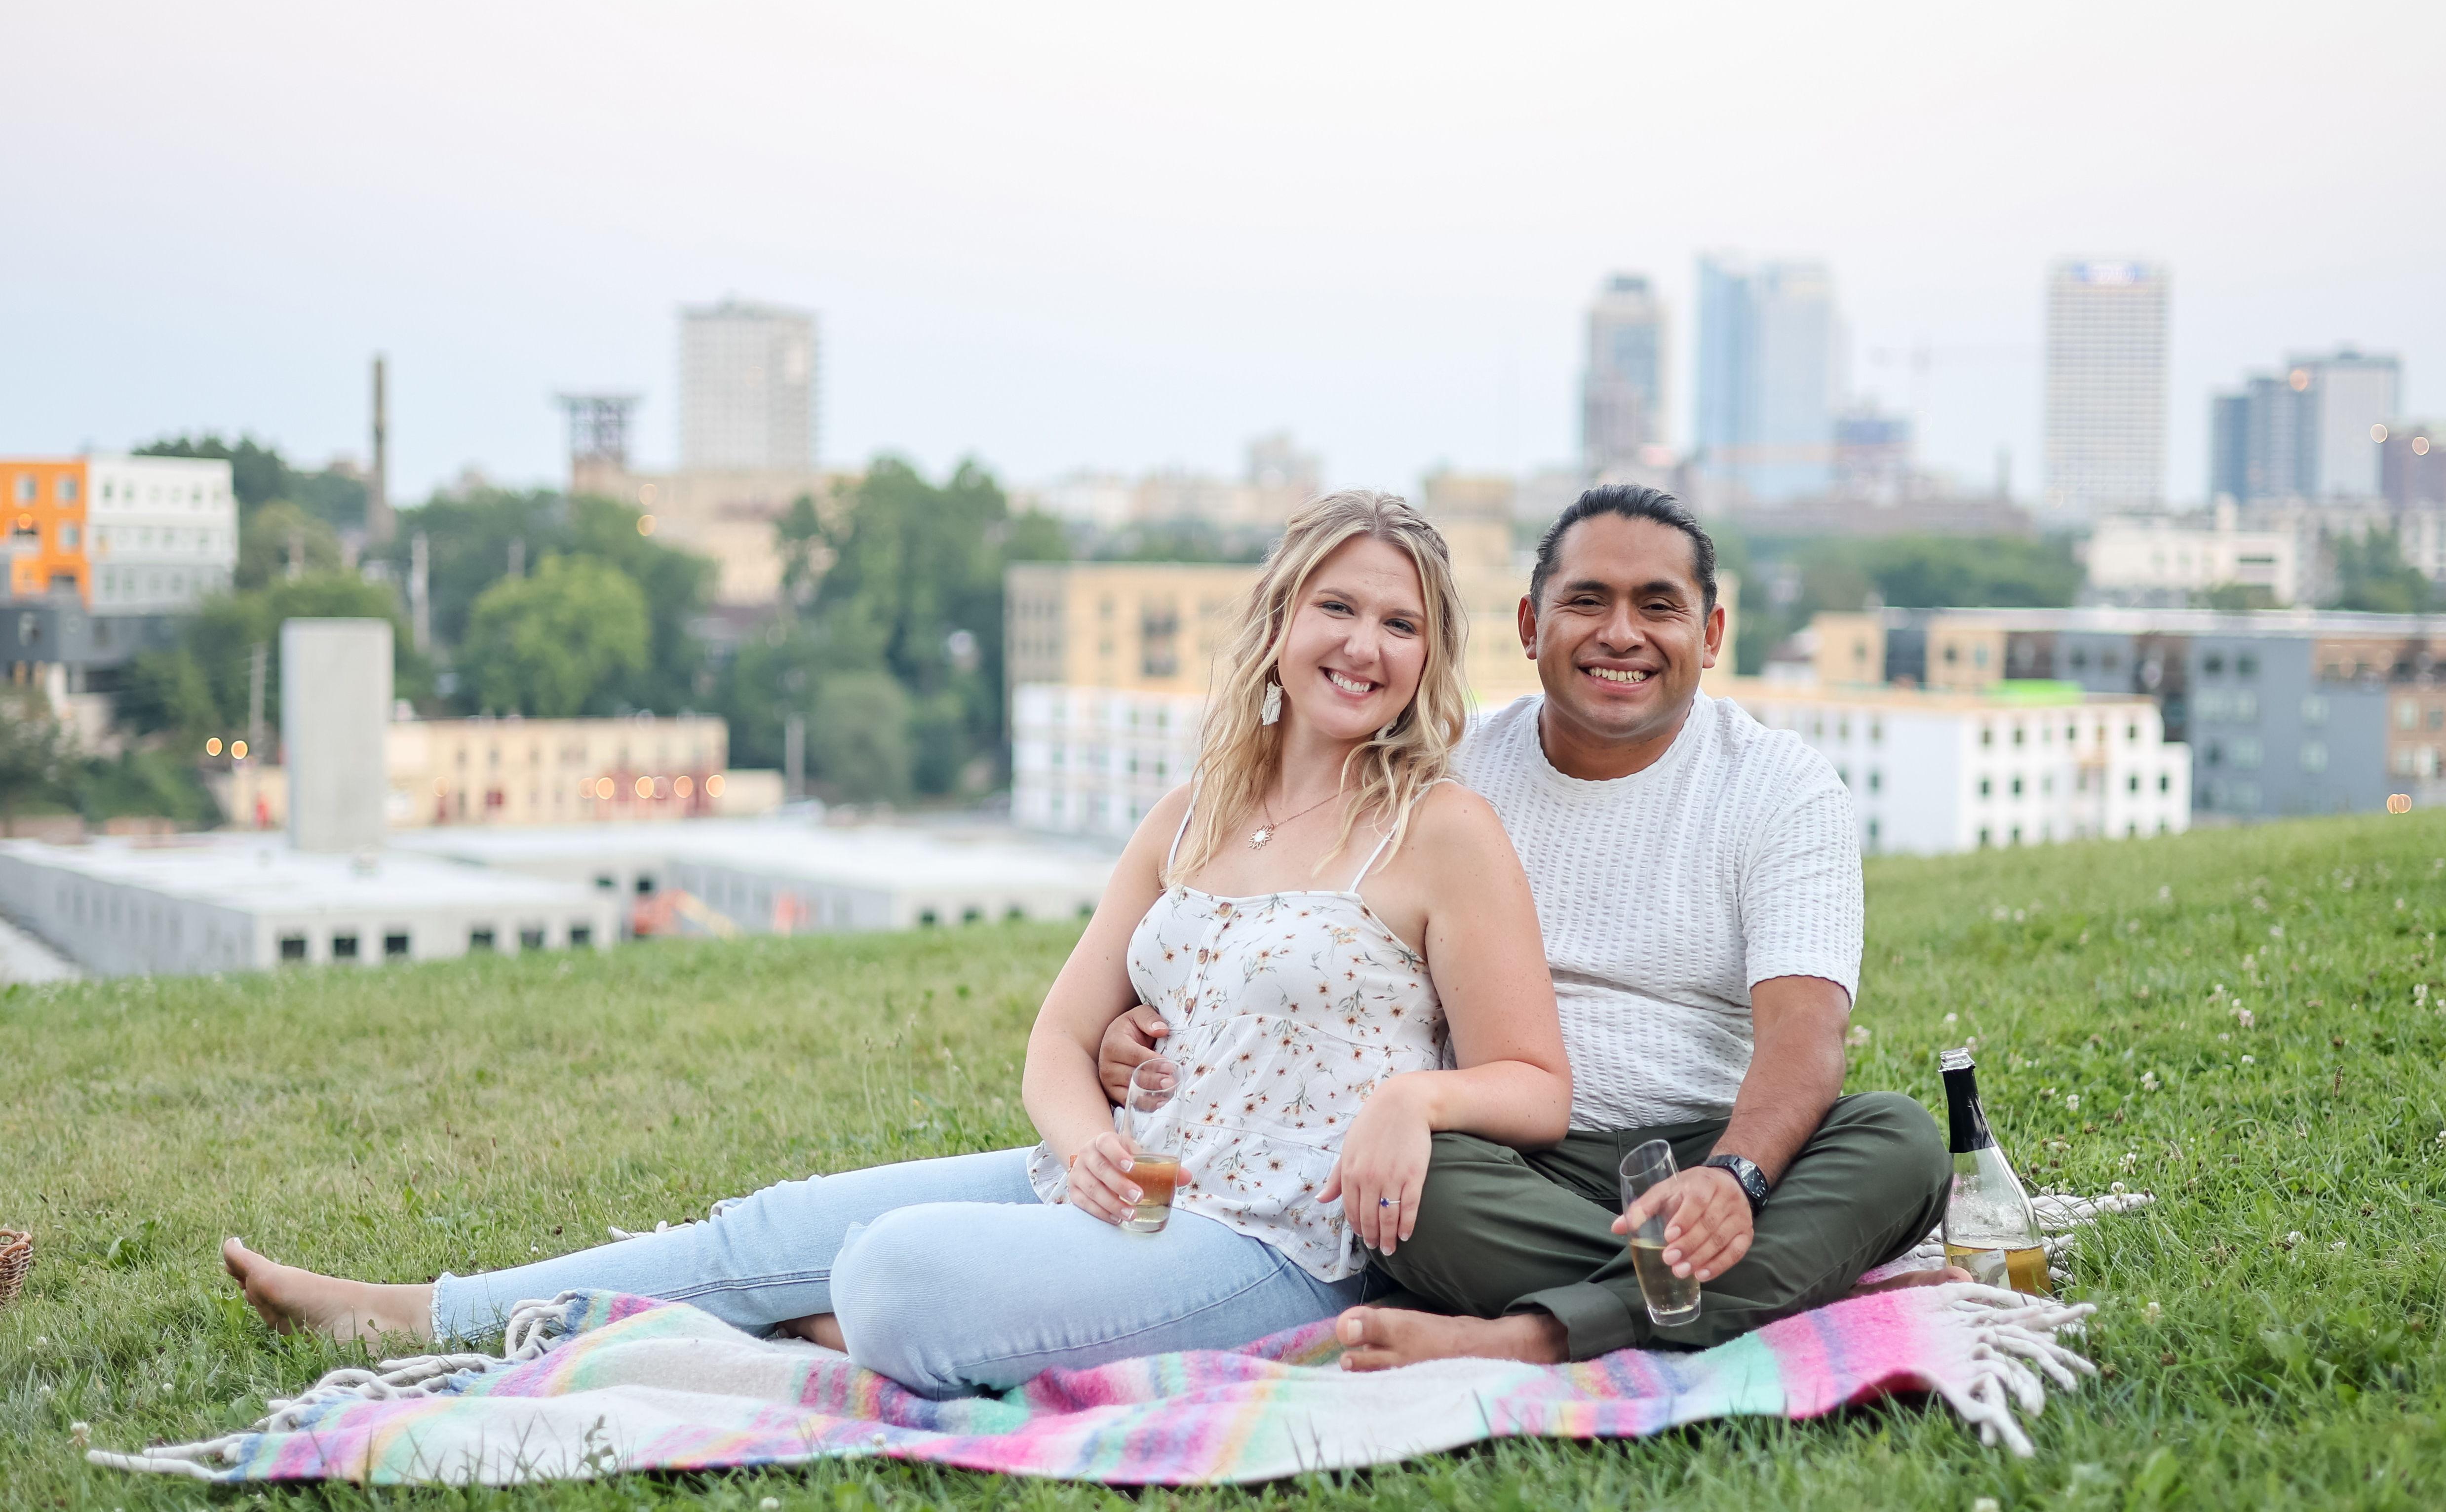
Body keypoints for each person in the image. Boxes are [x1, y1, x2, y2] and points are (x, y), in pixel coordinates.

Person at [223, 490, 1572, 1397]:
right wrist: (1084, 1142)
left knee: (890, 1268)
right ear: (1279, 624)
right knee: (780, 1220)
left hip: (1275, 1245)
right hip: (1129, 1182)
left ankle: (833, 1324)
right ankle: (423, 1310)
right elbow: (1060, 1034)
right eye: (1339, 607)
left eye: (1401, 623)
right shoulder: (1191, 811)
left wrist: (1413, 1097)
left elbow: (1534, 1081)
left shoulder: (1441, 830)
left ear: (1430, 657)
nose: (1364, 644)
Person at [1102, 483, 1953, 1371]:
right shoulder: (1444, 771)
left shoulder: (1782, 785)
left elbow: (1805, 1030)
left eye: (1658, 606)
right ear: (1528, 625)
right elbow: (1301, 928)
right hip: (1506, 1166)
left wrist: (1734, 1178)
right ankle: (1781, 1287)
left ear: (1710, 634)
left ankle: (1536, 1332)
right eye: (1586, 600)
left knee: (1900, 1142)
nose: (1620, 633)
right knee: (1407, 1195)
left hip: (1712, 1137)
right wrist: (1151, 1026)